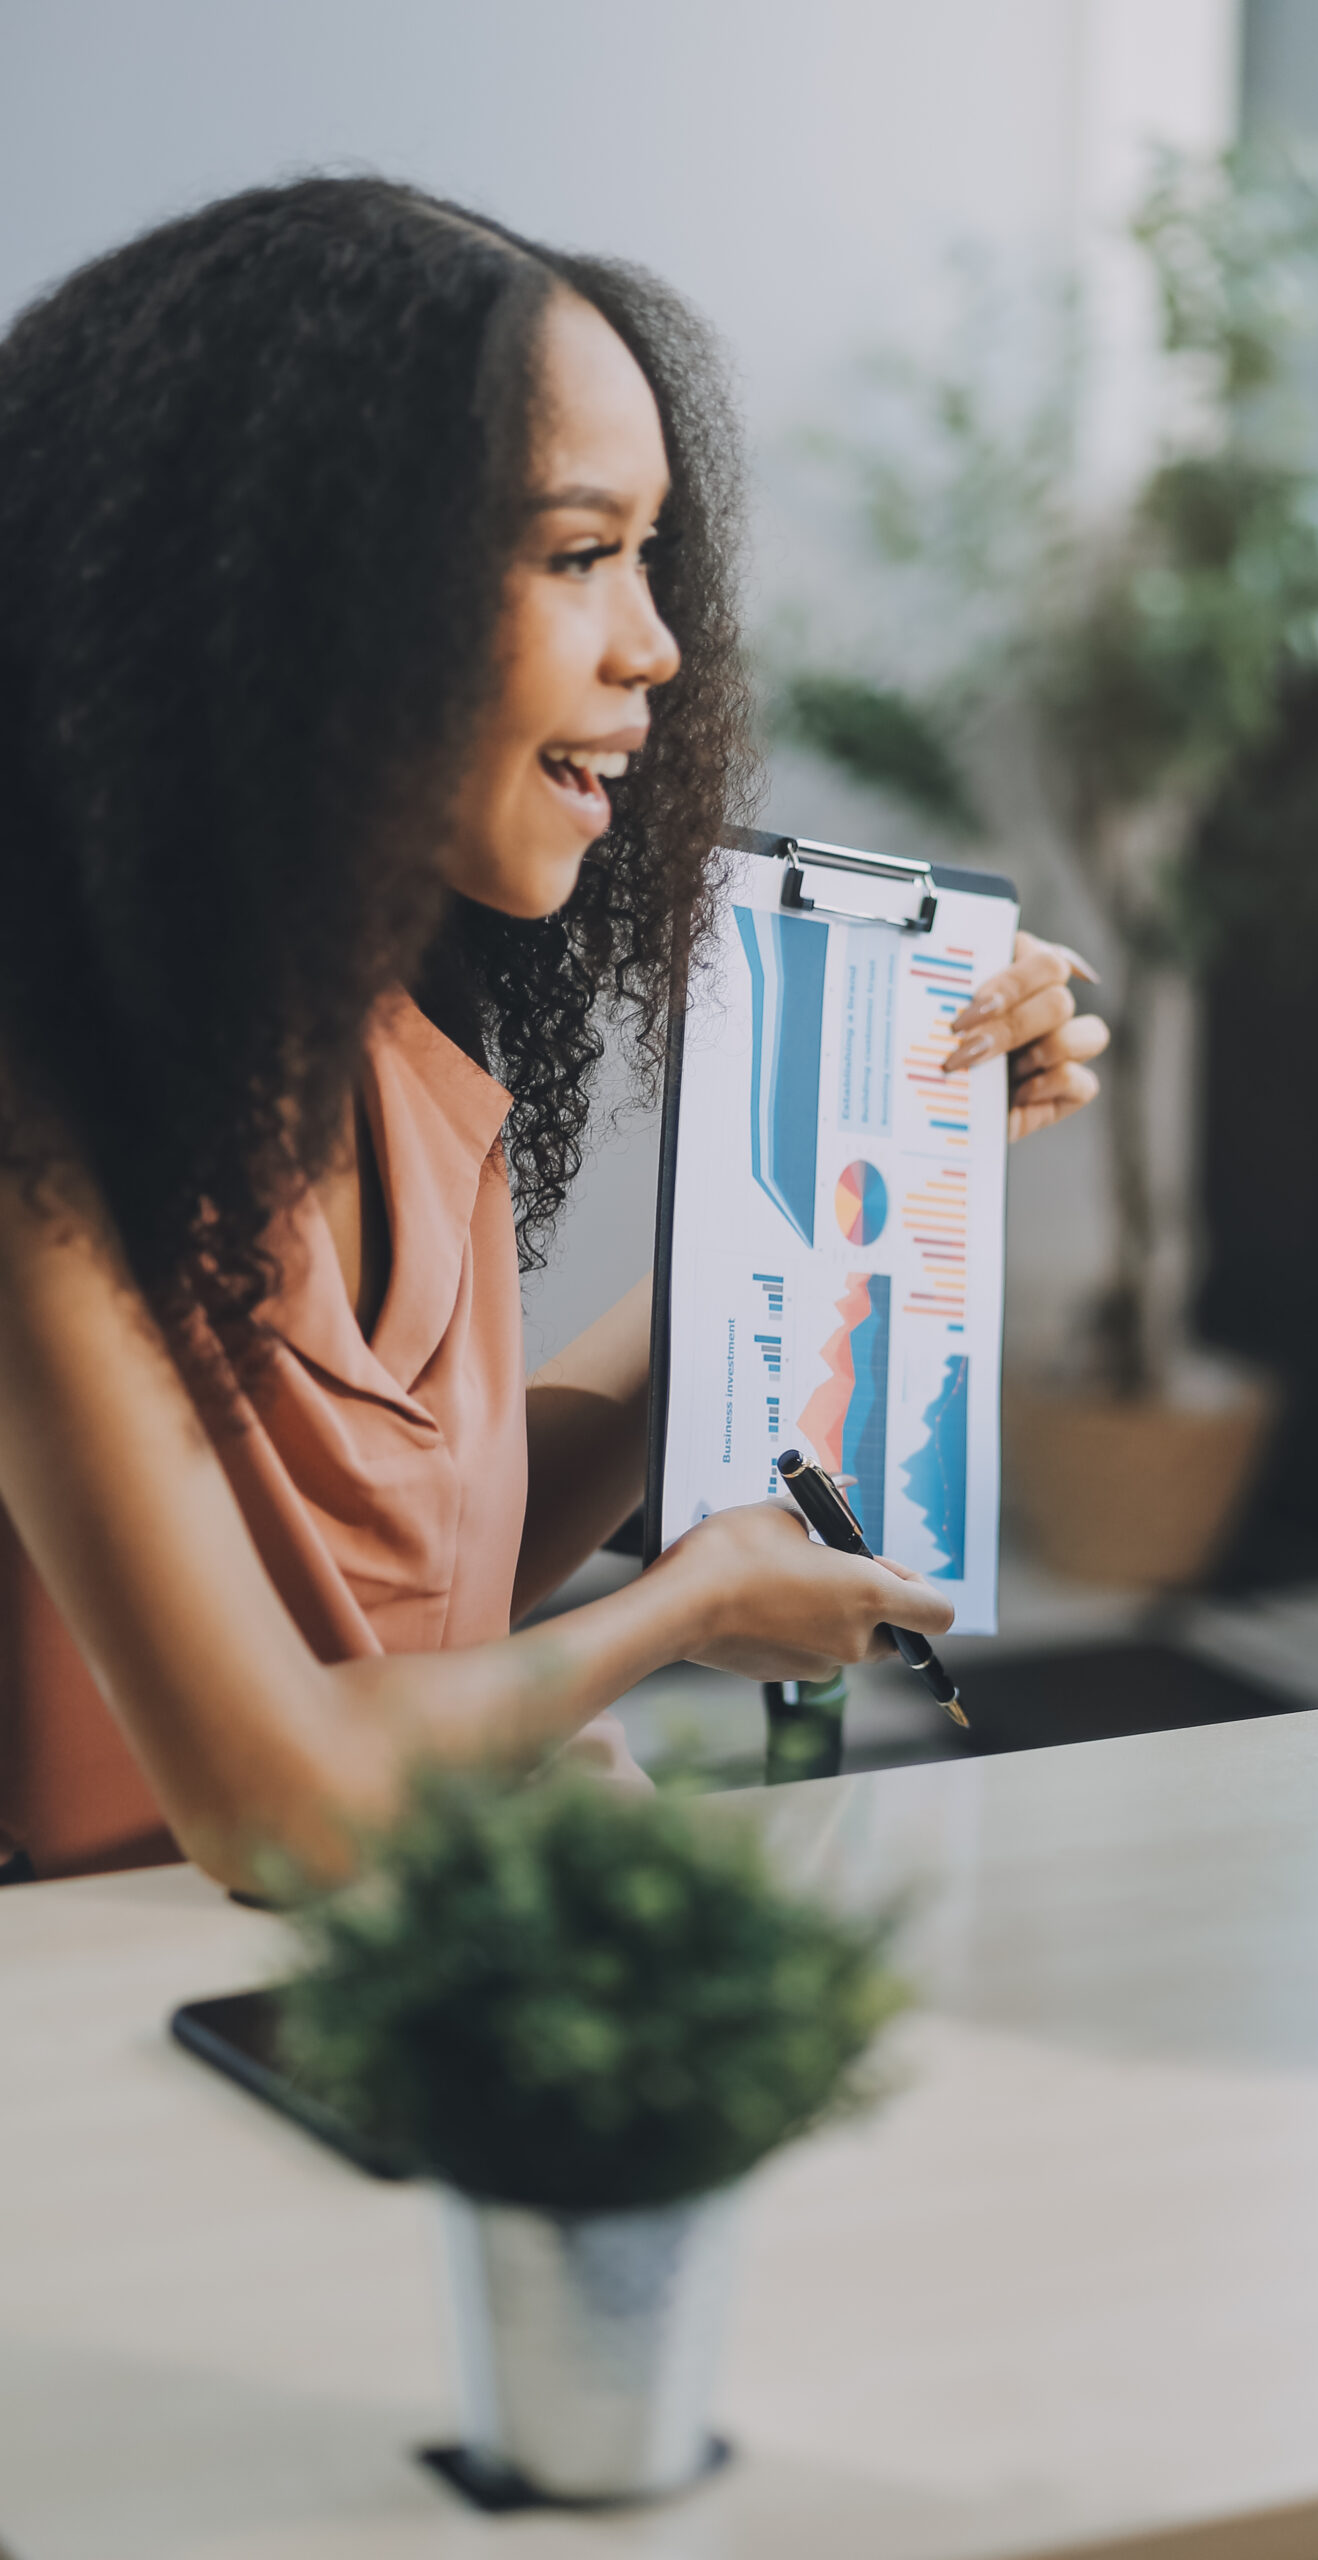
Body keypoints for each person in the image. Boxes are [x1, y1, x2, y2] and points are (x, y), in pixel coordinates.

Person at [0, 179, 1107, 1892]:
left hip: (413, 1962)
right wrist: (679, 1608)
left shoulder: (400, 1046)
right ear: (306, 597)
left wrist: (877, 1152)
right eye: (580, 553)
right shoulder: (35, 1129)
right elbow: (272, 1793)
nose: (656, 644)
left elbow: (426, 1597)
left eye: (650, 556)